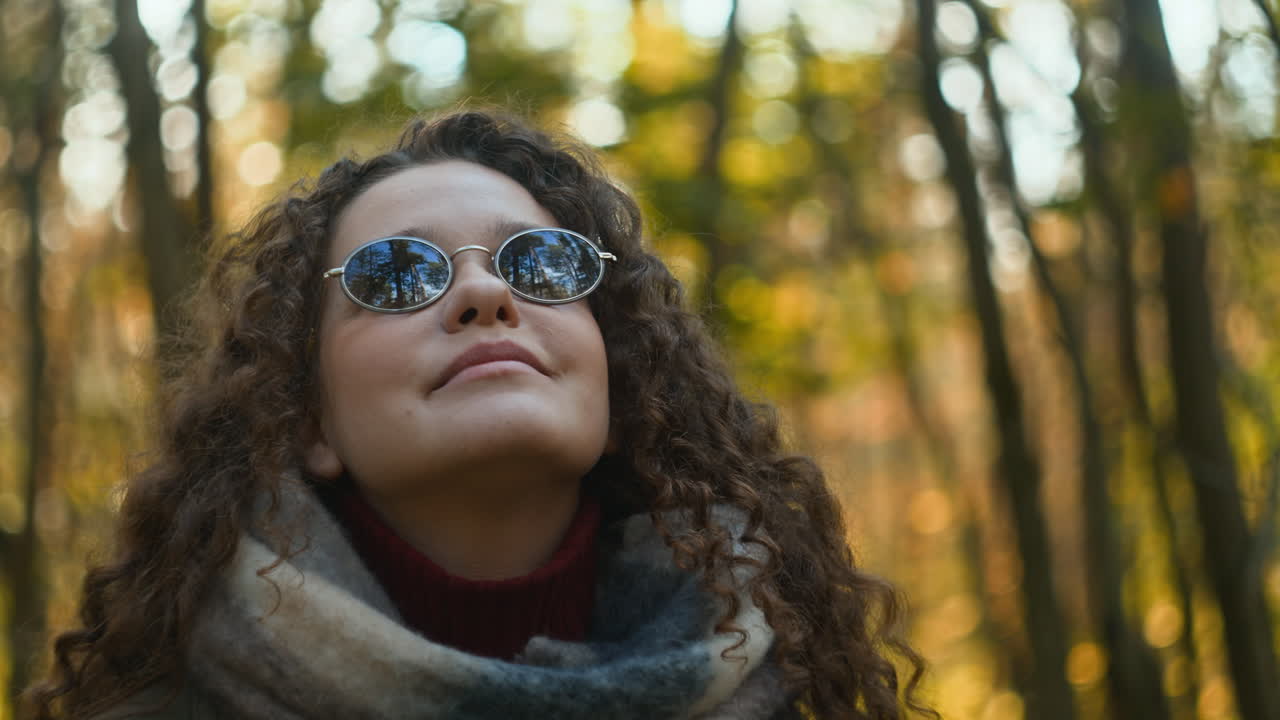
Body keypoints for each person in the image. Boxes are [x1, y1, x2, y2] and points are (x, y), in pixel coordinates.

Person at [28, 109, 932, 719]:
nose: (484, 292)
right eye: (396, 275)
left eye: (540, 262)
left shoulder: (798, 686)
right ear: (309, 422)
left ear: (618, 387)